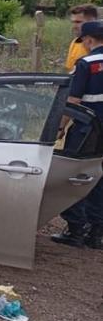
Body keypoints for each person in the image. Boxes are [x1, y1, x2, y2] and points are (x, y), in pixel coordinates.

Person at [52, 20, 103, 249]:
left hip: (87, 131)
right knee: (100, 179)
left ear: (89, 40)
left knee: (73, 177)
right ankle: (96, 233)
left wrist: (59, 126)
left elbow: (72, 101)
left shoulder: (86, 64)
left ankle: (76, 230)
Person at [65, 4, 98, 72]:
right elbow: (70, 72)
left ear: (92, 22)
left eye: (78, 22)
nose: (74, 26)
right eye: (73, 22)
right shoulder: (75, 43)